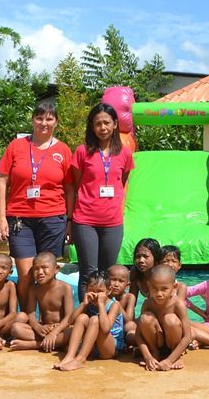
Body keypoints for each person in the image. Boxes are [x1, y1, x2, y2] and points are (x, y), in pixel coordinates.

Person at [0, 102, 74, 311]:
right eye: (39, 118)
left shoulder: (63, 150)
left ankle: (47, 318)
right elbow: (2, 181)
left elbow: (70, 188)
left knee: (46, 274)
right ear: (32, 120)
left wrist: (70, 220)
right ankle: (27, 316)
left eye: (49, 119)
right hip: (19, 218)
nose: (44, 123)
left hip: (53, 218)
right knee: (25, 273)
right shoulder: (16, 146)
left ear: (56, 122)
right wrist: (1, 217)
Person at [71, 103, 134, 300]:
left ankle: (104, 314)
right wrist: (69, 219)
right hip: (85, 220)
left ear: (115, 124)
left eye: (106, 122)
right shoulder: (82, 151)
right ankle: (86, 314)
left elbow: (122, 181)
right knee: (89, 274)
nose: (102, 127)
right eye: (98, 123)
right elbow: (76, 184)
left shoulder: (124, 153)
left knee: (108, 274)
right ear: (92, 126)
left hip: (112, 222)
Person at [54, 271, 125, 371]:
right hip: (93, 347)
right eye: (91, 290)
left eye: (99, 291)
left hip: (110, 348)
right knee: (82, 317)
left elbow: (105, 329)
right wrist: (83, 304)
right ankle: (70, 356)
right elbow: (70, 321)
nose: (95, 295)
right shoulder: (89, 303)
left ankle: (80, 359)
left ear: (109, 291)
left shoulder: (114, 305)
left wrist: (101, 304)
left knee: (95, 319)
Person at [9, 251, 74, 351]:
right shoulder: (34, 289)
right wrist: (38, 327)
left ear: (56, 269)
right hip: (44, 328)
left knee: (72, 331)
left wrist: (54, 332)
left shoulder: (65, 288)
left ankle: (35, 345)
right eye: (36, 269)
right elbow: (31, 314)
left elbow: (69, 317)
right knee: (16, 328)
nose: (40, 272)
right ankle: (56, 344)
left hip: (60, 329)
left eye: (44, 267)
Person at [135, 265, 191, 371]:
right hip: (156, 344)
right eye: (154, 289)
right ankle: (154, 353)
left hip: (173, 345)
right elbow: (138, 334)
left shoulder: (178, 304)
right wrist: (147, 357)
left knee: (170, 320)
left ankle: (176, 356)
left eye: (164, 289)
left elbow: (187, 336)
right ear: (148, 285)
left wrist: (169, 360)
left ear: (174, 287)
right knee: (145, 318)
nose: (159, 294)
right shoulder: (148, 304)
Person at [124, 238, 161, 344]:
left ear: (155, 257)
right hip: (147, 318)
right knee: (128, 330)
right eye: (138, 256)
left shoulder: (161, 274)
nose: (141, 260)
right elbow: (132, 301)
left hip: (163, 318)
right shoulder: (135, 273)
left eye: (145, 256)